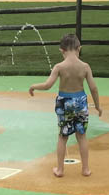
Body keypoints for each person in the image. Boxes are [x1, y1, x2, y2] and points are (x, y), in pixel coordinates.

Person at [28, 33, 102, 177]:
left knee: (63, 136)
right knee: (81, 136)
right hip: (80, 101)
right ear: (79, 48)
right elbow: (93, 88)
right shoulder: (85, 67)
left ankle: (60, 170)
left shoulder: (59, 67)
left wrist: (33, 86)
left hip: (64, 103)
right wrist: (98, 106)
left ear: (62, 51)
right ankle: (85, 169)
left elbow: (48, 85)